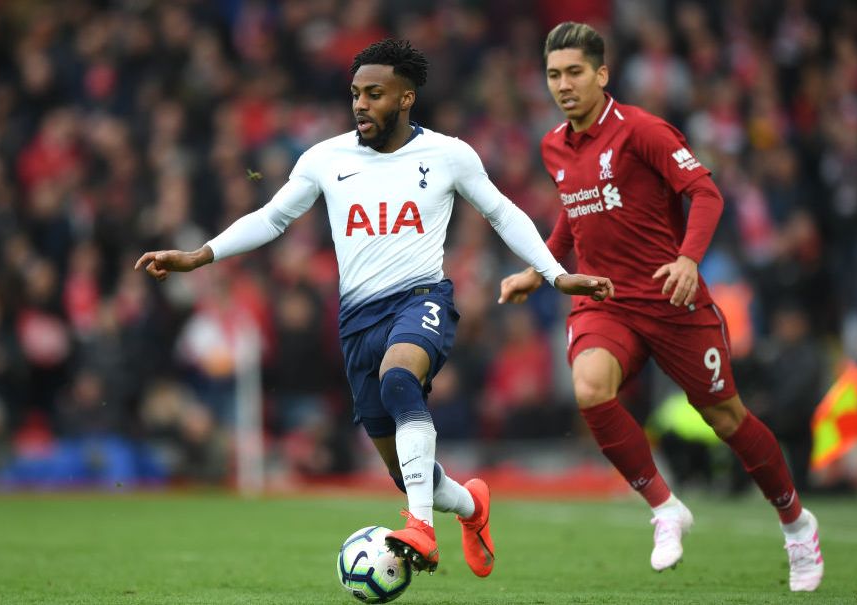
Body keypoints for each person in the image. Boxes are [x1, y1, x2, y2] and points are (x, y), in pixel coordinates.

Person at [136, 39, 614, 576]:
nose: (360, 104)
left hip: (422, 299)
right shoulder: (324, 158)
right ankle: (471, 506)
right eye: (355, 94)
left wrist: (554, 273)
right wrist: (200, 256)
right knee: (406, 469)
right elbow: (272, 218)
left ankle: (420, 528)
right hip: (357, 321)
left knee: (399, 379)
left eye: (375, 93)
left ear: (406, 98)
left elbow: (503, 215)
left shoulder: (449, 155)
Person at [498, 22, 823, 591]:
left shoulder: (643, 130)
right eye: (554, 75)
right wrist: (540, 270)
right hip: (606, 299)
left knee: (726, 419)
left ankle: (796, 524)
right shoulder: (554, 145)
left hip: (672, 299)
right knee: (589, 389)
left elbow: (705, 192)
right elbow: (574, 215)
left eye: (575, 72)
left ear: (602, 74)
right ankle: (665, 508)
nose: (564, 85)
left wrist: (690, 260)